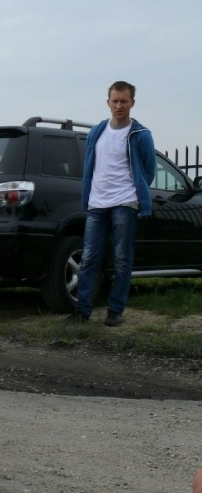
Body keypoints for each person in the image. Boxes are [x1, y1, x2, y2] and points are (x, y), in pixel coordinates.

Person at [67, 80, 156, 327]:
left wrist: (134, 194)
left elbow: (147, 171)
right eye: (115, 101)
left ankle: (115, 311)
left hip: (125, 204)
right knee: (89, 258)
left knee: (121, 259)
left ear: (132, 103)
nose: (119, 105)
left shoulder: (140, 135)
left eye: (124, 101)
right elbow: (91, 166)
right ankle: (82, 311)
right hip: (97, 204)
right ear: (108, 102)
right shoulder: (97, 132)